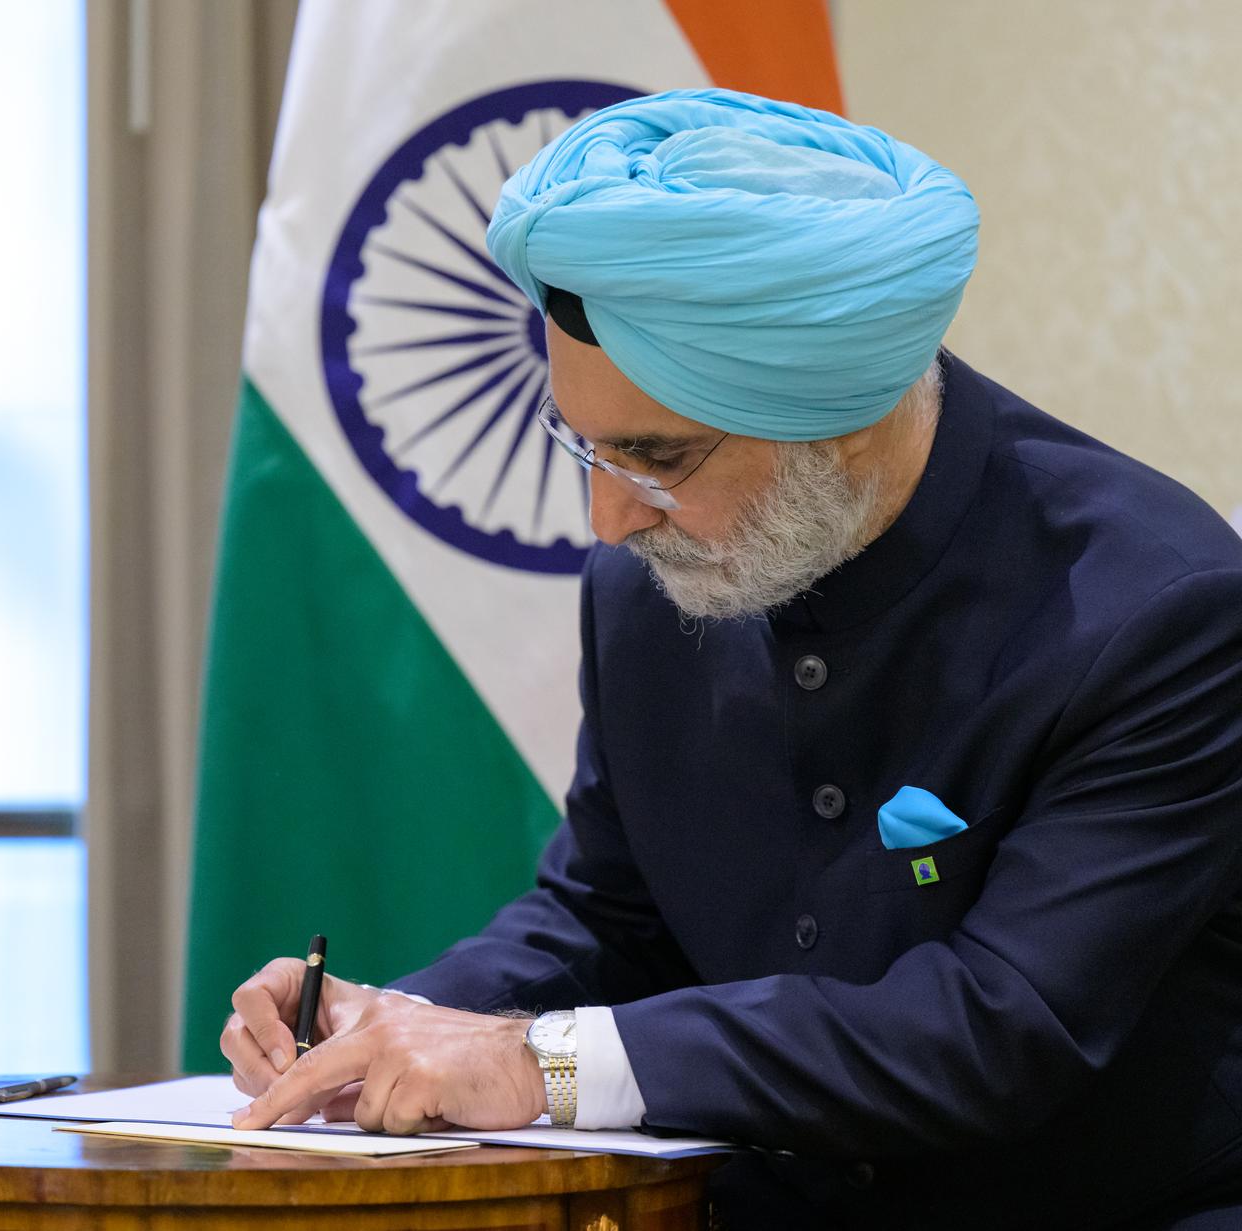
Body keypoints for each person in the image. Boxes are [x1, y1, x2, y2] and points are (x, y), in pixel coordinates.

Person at [220, 90, 1242, 1229]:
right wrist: (389, 1023)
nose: (608, 521)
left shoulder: (1156, 610)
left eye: (654, 457)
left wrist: (536, 1062)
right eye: (587, 446)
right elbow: (609, 915)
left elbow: (999, 1026)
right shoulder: (648, 580)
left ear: (843, 418)